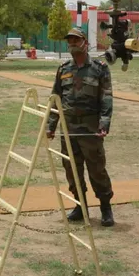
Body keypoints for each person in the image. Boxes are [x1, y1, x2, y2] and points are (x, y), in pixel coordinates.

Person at [46, 27, 115, 227]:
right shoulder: (63, 69)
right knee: (71, 169)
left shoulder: (99, 68)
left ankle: (105, 207)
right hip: (68, 130)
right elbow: (55, 99)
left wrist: (104, 123)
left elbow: (106, 98)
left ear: (85, 42)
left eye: (76, 40)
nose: (72, 44)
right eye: (70, 41)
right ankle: (80, 205)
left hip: (91, 128)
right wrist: (51, 126)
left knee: (96, 169)